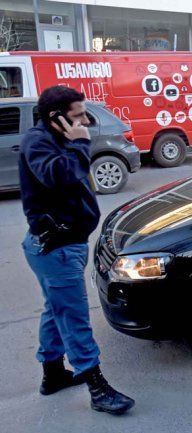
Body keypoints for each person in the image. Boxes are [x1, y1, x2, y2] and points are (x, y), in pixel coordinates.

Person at [19, 86, 134, 415]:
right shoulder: (38, 141)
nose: (85, 120)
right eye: (78, 115)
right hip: (56, 248)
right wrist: (80, 142)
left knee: (55, 310)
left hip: (64, 245)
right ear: (55, 118)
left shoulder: (57, 139)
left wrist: (75, 141)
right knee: (74, 317)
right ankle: (98, 389)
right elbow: (59, 175)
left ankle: (52, 374)